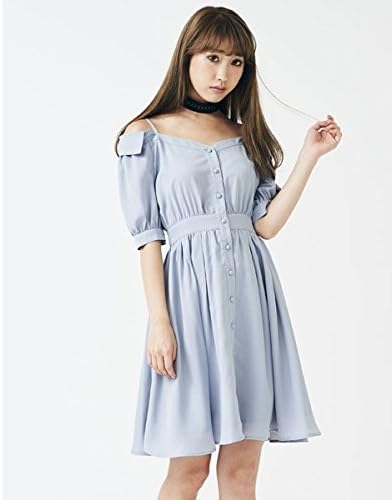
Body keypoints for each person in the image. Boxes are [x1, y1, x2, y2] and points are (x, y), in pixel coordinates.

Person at [114, 6, 342, 500]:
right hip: (188, 308)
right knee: (188, 470)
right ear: (187, 56)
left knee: (241, 473)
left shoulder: (245, 136)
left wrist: (309, 156)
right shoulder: (146, 135)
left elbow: (265, 225)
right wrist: (159, 323)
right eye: (213, 58)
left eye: (236, 62)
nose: (224, 74)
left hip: (252, 304)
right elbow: (148, 237)